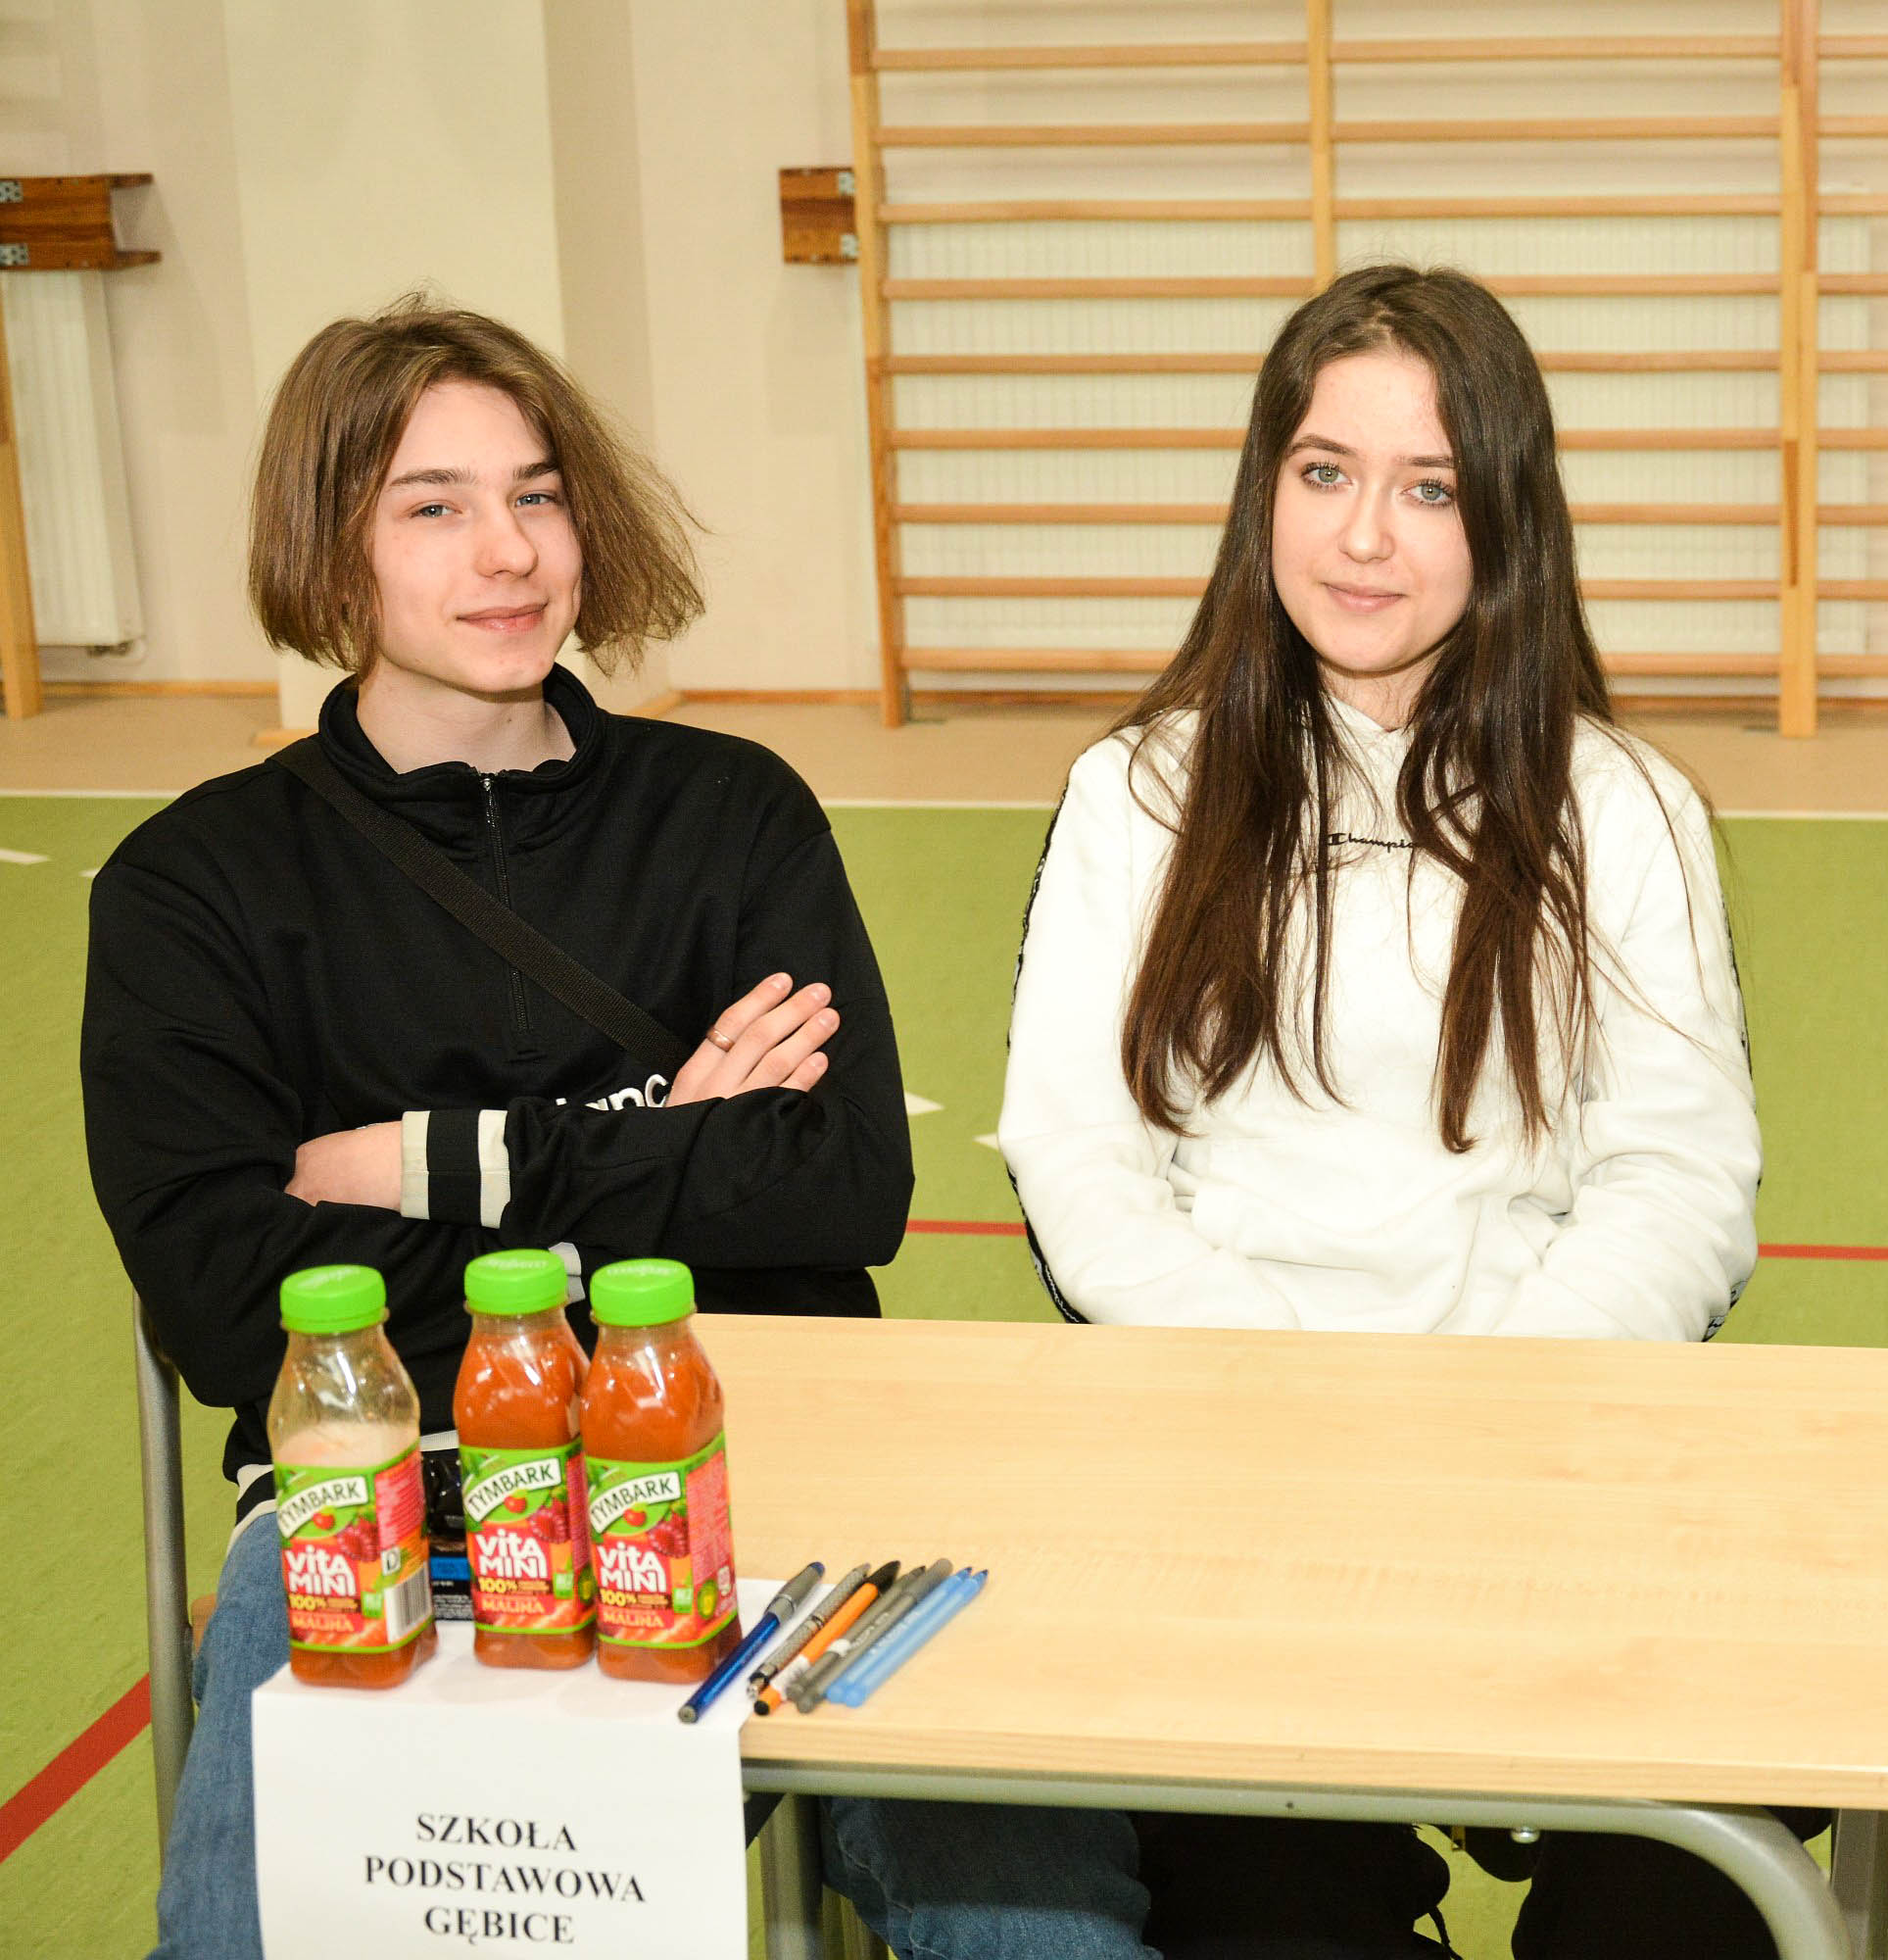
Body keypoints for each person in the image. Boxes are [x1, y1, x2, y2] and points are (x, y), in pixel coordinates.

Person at [831, 263, 1771, 1960]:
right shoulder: (1138, 792)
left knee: (1689, 1898)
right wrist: (1294, 1415)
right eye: (1326, 472)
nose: (1364, 537)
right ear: (1266, 486)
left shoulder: (1622, 806)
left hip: (1544, 1463)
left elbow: (1678, 1178)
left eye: (1430, 489)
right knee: (1274, 1908)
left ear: (1507, 516)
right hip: (1225, 1481)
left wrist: (1477, 1419)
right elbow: (1081, 1160)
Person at [81, 297, 914, 1960]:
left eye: (539, 495)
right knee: (249, 1926)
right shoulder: (194, 886)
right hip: (384, 1497)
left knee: (1031, 1897)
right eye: (435, 506)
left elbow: (845, 1188)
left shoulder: (732, 810)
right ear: (330, 548)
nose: (510, 552)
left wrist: (437, 1169)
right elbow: (235, 1305)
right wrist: (676, 1158)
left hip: (770, 1467)